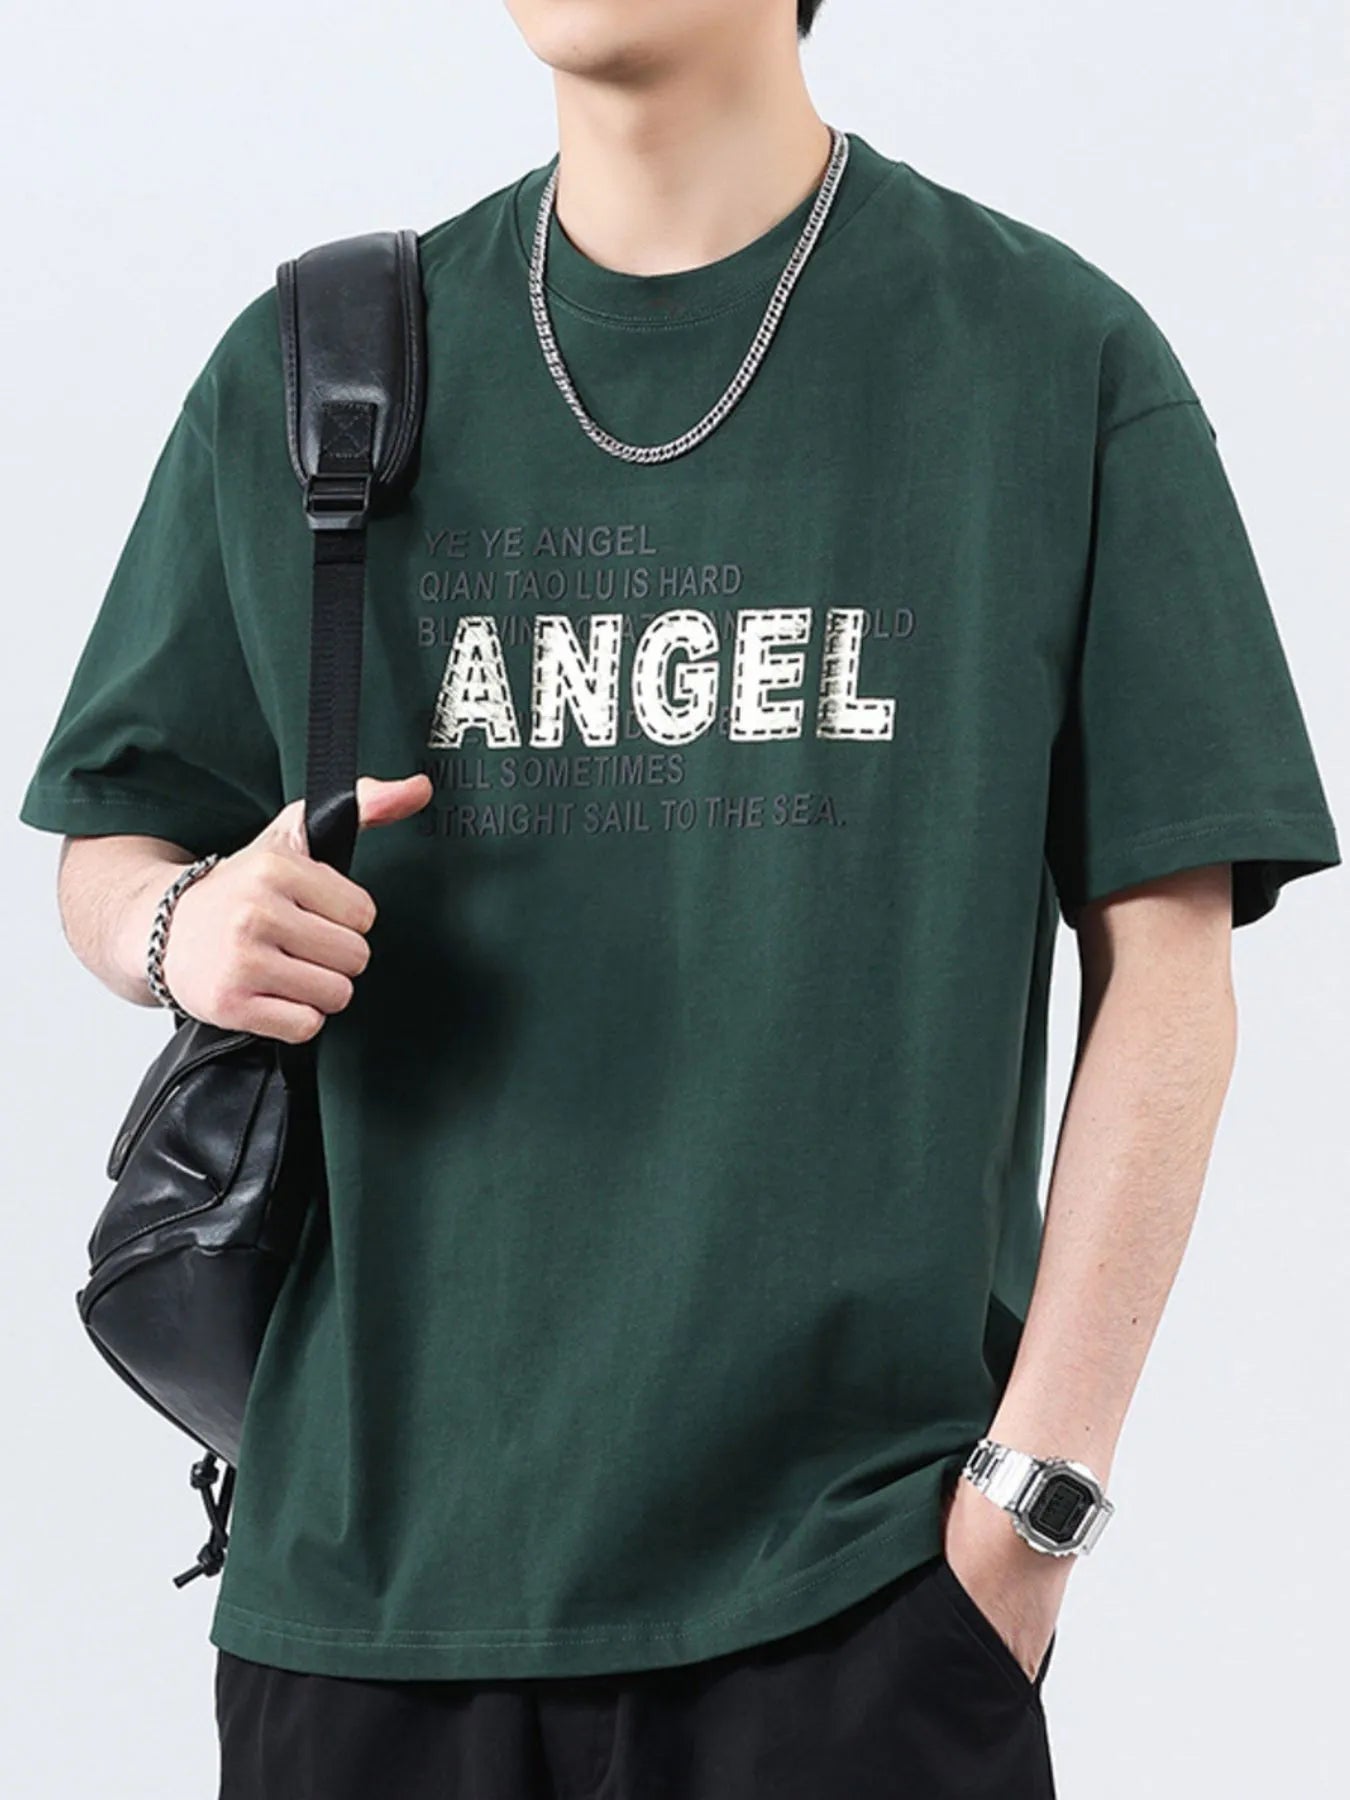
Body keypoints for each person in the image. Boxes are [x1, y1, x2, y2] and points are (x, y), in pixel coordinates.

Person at [18, 2, 1341, 1796]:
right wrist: (181, 930)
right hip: (360, 1602)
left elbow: (1167, 971)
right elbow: (114, 842)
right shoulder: (319, 365)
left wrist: (1027, 1513)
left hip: (857, 1592)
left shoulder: (1045, 358)